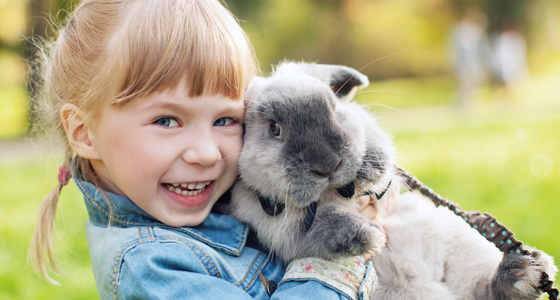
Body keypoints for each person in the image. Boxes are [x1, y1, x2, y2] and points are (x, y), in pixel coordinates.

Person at [27, 0, 378, 299]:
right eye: (166, 121)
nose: (208, 154)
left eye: (225, 119)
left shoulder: (223, 201)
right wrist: (337, 258)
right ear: (85, 133)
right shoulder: (151, 266)